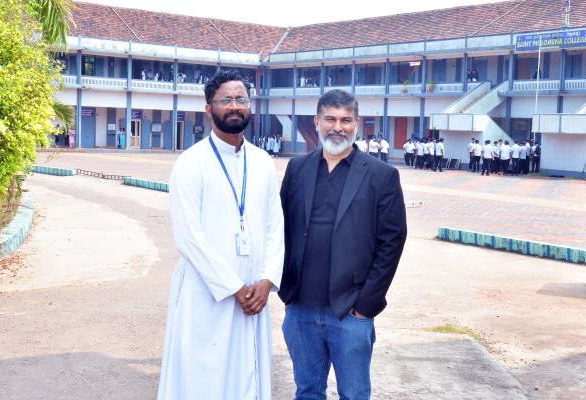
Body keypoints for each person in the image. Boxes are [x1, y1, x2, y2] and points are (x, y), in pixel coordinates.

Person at [157, 70, 285, 400]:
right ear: (208, 109)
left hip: (255, 293)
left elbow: (275, 226)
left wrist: (268, 279)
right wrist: (234, 287)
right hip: (207, 294)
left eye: (241, 99)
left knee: (248, 376)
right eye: (225, 100)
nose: (235, 106)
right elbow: (188, 237)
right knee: (204, 380)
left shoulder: (262, 162)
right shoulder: (191, 163)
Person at [279, 89, 407, 400]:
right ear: (317, 122)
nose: (338, 127)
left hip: (350, 312)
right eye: (330, 119)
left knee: (353, 394)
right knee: (307, 392)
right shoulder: (297, 168)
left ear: (357, 124)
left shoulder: (382, 175)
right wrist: (285, 289)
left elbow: (392, 241)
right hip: (301, 308)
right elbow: (280, 229)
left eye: (346, 120)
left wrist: (365, 306)